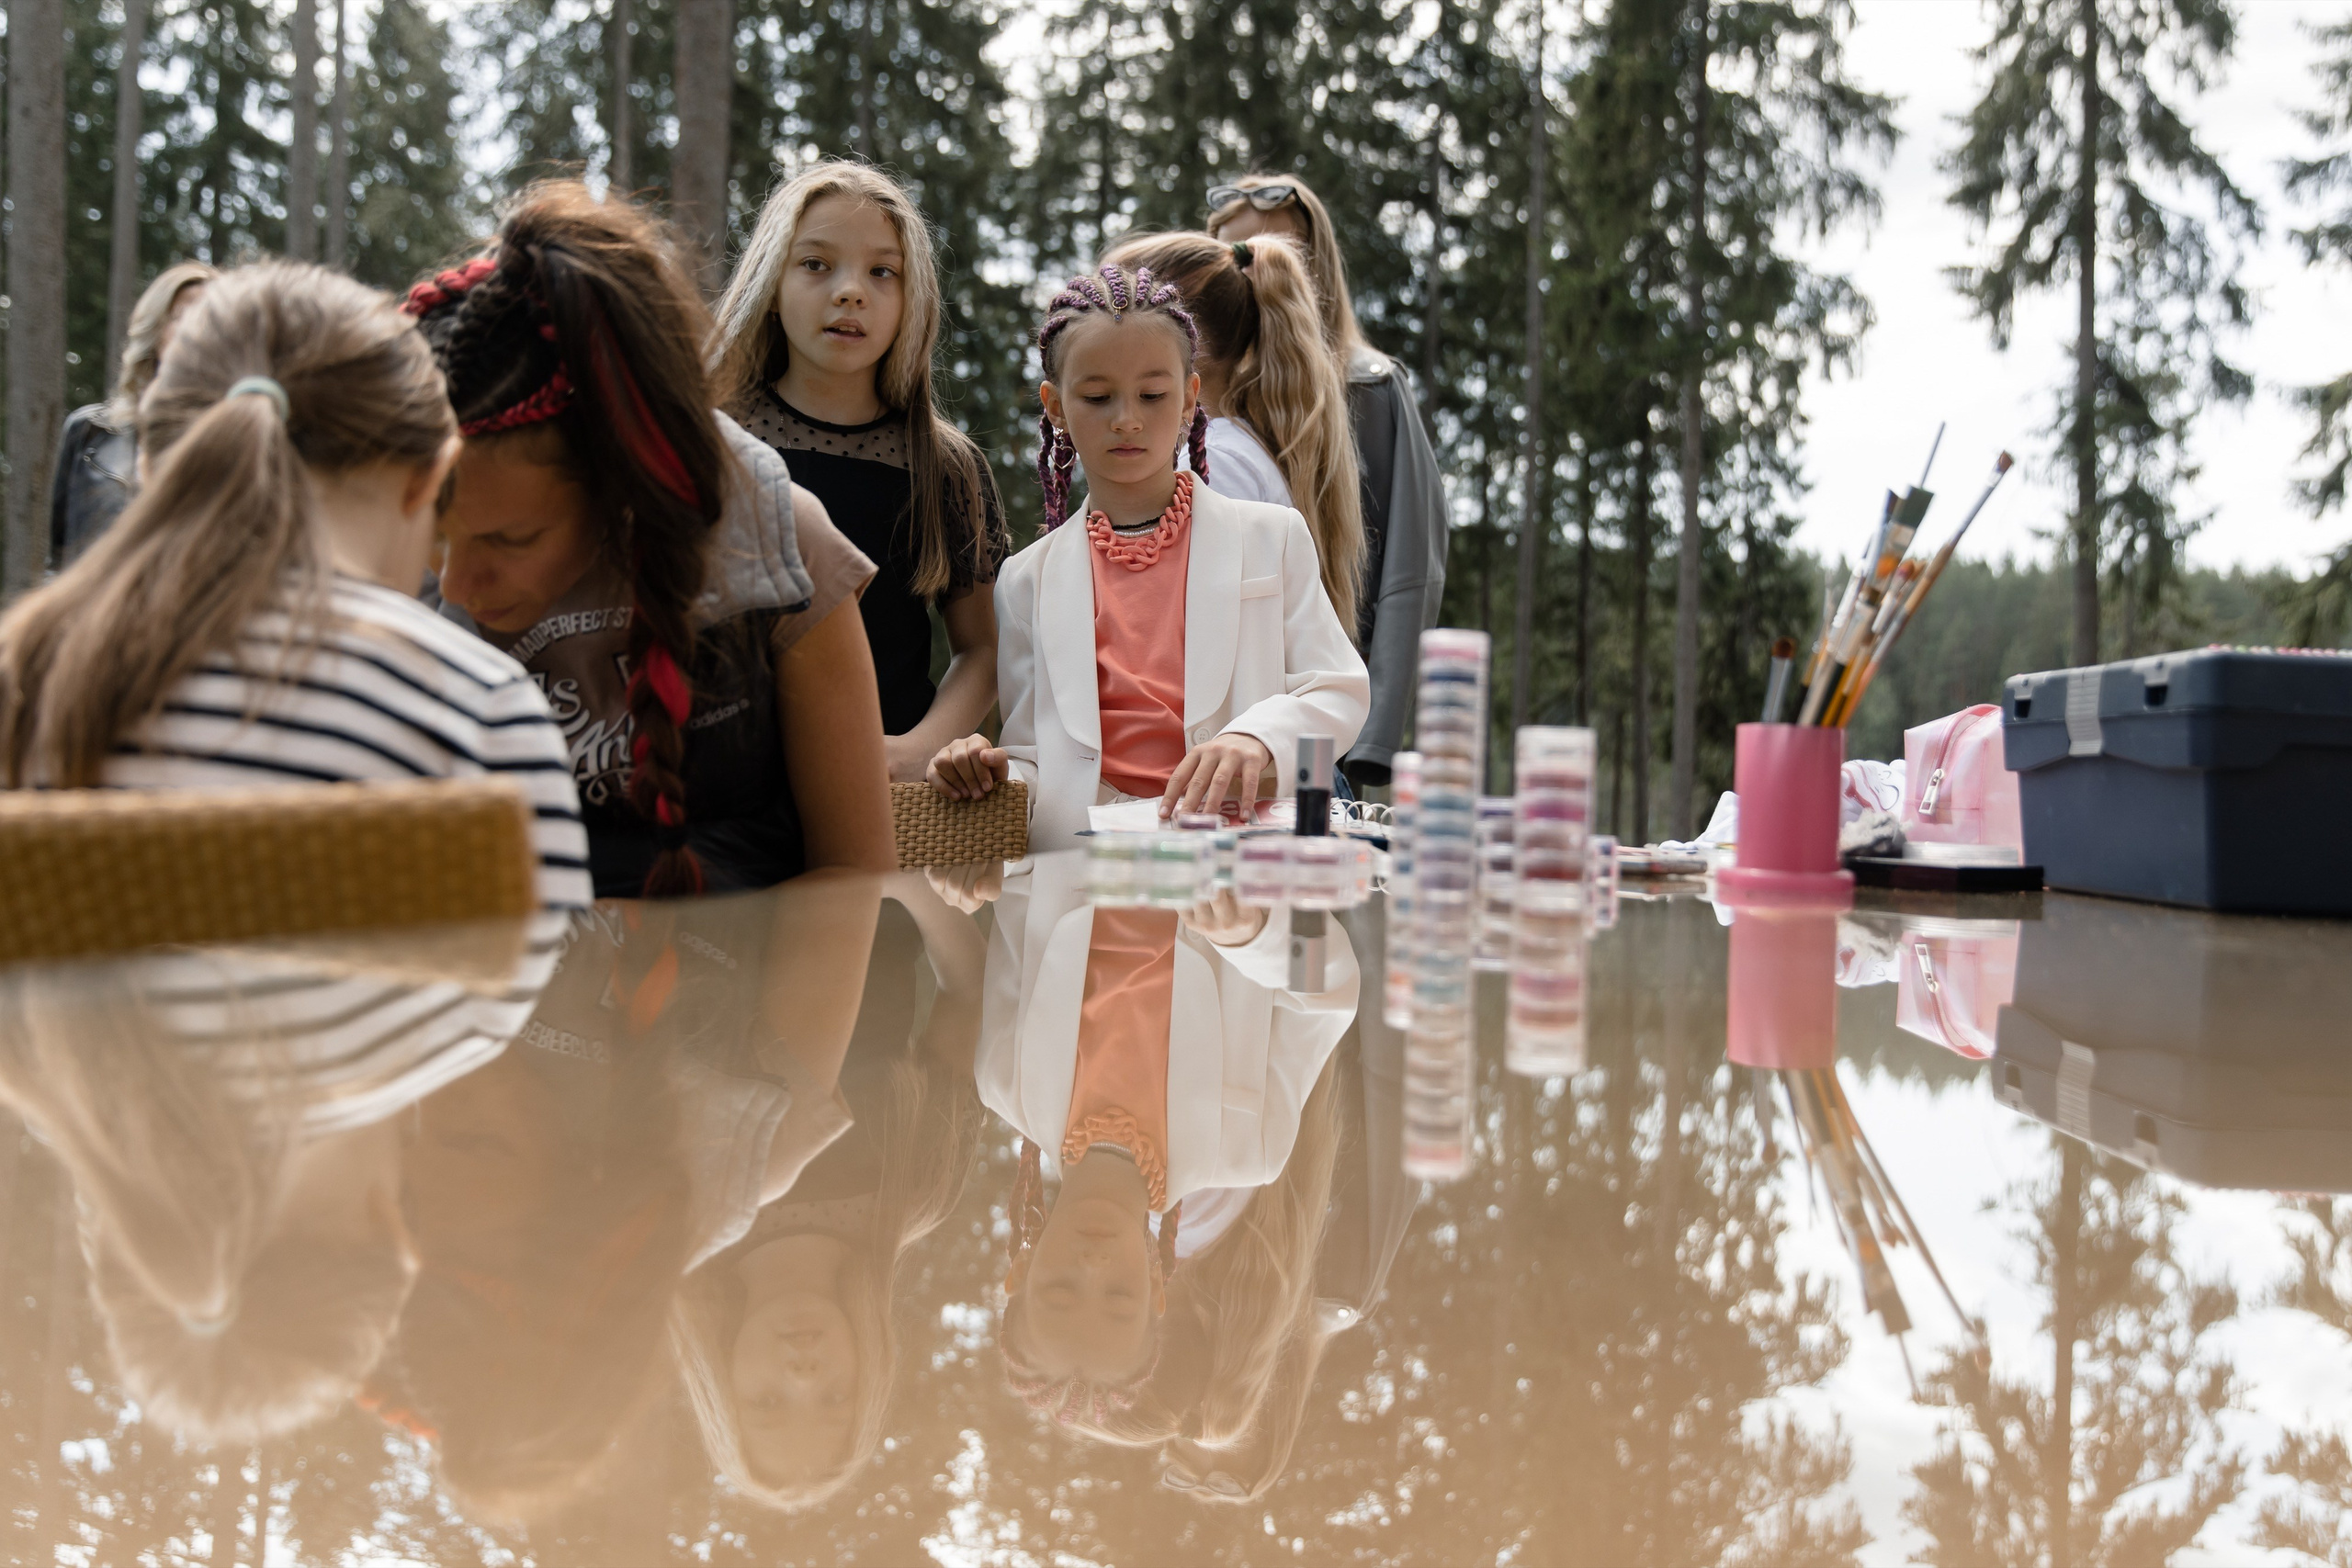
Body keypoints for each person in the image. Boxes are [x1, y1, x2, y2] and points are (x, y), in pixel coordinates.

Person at [0, 262, 592, 914]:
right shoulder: (482, 712)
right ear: (430, 477)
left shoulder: (27, 670)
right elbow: (516, 977)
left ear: (149, 466)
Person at [409, 182, 894, 898]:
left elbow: (850, 878)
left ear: (622, 477)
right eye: (433, 535)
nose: (454, 584)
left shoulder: (781, 547)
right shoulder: (416, 583)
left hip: (748, 1004)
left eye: (511, 539)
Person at [924, 265, 1368, 850]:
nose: (1127, 419)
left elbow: (1335, 689)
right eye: (1097, 397)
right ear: (1056, 407)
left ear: (1189, 397)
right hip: (1086, 885)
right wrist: (987, 769)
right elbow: (1037, 759)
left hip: (1231, 894)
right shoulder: (1024, 580)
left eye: (1152, 395)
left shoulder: (1273, 538)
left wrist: (1257, 739)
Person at [978, 852, 1355, 1451]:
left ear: (1019, 1270)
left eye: (1059, 1292)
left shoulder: (1003, 1078)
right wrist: (1258, 938)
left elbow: (1023, 886)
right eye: (1119, 1299)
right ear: (1157, 1291)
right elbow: (1327, 993)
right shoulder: (1250, 1149)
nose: (1093, 1268)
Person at [669, 871, 985, 1511]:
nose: (802, 1374)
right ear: (866, 1374)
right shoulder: (913, 1192)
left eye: (768, 1402)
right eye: (834, 1397)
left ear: (721, 1383)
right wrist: (910, 887)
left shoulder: (673, 1220)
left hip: (708, 860)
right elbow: (971, 994)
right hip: (868, 849)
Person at [710, 162, 1012, 780]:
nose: (850, 291)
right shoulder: (712, 441)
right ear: (772, 283)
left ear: (912, 298)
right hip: (731, 795)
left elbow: (983, 648)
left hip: (890, 804)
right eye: (816, 264)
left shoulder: (945, 467)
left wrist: (915, 748)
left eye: (882, 271)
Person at [1208, 176, 1449, 788]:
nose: (1256, 269)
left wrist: (1371, 734)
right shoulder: (1191, 403)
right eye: (1234, 255)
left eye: (1278, 249)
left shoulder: (1370, 389)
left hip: (1322, 718)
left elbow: (1408, 571)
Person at [1102, 231, 1364, 642]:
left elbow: (1191, 642)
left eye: (1118, 312)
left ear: (1185, 334)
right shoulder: (1232, 452)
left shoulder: (1214, 465)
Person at [48, 260, 217, 567]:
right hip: (97, 611)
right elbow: (58, 560)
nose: (196, 327)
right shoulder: (89, 430)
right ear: (155, 330)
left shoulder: (244, 437)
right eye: (181, 315)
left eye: (210, 317)